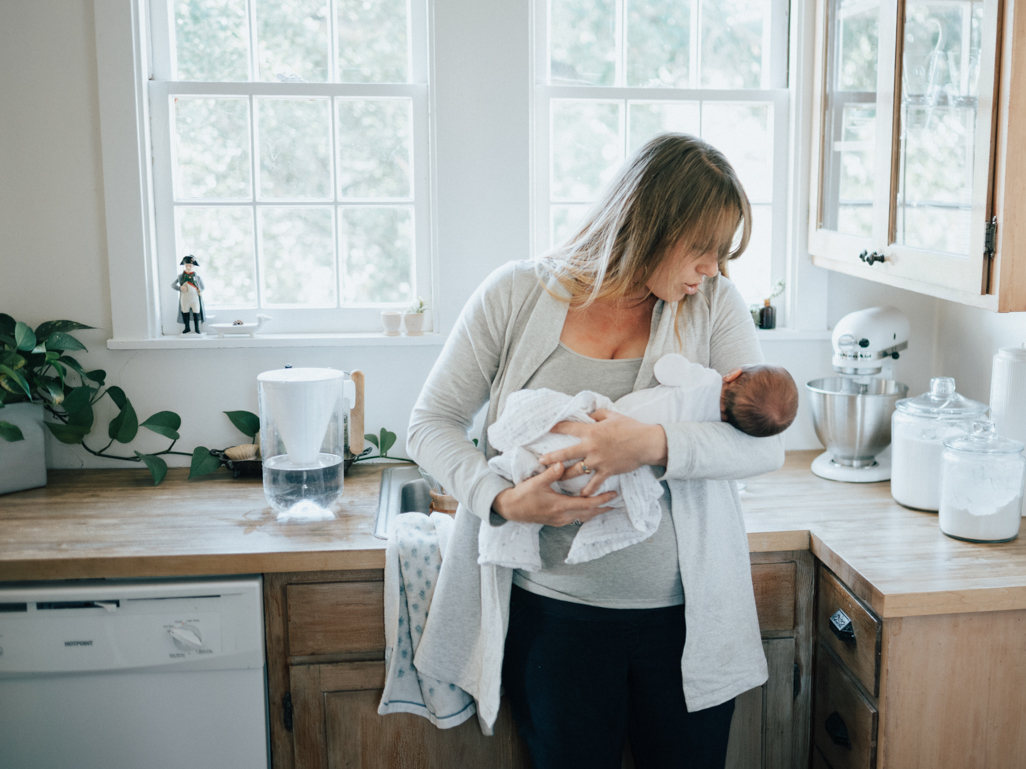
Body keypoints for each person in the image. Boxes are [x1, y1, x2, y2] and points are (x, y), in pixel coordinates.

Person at [406, 133, 785, 769]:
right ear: (651, 226)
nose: (714, 269)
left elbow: (764, 445)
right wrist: (498, 498)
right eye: (704, 249)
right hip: (554, 622)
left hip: (686, 622)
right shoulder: (516, 295)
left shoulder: (715, 307)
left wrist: (651, 444)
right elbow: (430, 422)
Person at [477, 356, 798, 571]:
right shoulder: (720, 430)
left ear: (735, 375)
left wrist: (644, 443)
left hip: (588, 433)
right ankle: (531, 475)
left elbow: (666, 366)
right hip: (612, 485)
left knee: (544, 421)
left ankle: (519, 464)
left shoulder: (704, 379)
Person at [171, 255, 204, 334]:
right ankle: (187, 327)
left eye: (190, 265)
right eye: (187, 265)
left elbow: (202, 287)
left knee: (196, 312)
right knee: (185, 312)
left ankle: (197, 328)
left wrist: (199, 291)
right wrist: (180, 288)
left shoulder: (197, 277)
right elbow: (173, 285)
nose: (188, 267)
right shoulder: (180, 276)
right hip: (185, 298)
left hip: (194, 297)